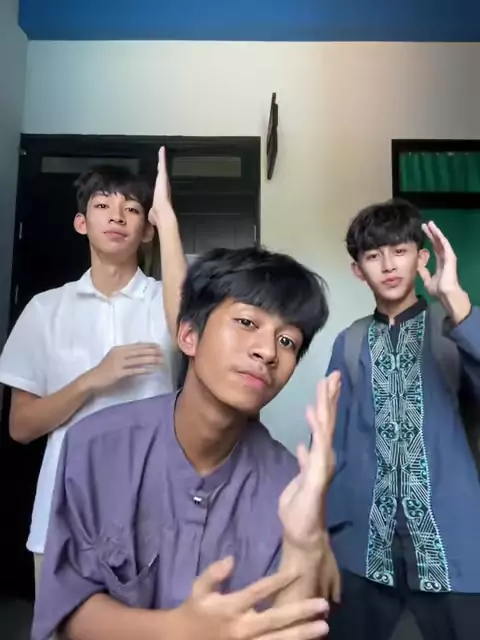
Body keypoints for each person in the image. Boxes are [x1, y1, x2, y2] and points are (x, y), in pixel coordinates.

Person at [32, 245, 339, 640]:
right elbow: (68, 608)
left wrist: (305, 543)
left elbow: (290, 628)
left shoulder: (289, 483)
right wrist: (178, 630)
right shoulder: (96, 447)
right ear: (189, 336)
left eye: (287, 341)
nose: (267, 352)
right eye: (247, 322)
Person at [0, 149, 186, 598]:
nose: (117, 216)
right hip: (63, 518)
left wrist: (168, 219)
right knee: (64, 627)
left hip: (151, 518)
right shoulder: (45, 309)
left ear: (146, 230)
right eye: (103, 205)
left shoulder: (164, 301)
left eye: (132, 209)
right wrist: (91, 380)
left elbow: (189, 328)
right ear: (81, 223)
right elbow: (21, 427)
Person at [325, 199, 480, 640]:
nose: (389, 265)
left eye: (400, 251)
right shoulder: (349, 342)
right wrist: (324, 538)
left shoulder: (456, 328)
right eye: (374, 256)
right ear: (358, 270)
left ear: (421, 257)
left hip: (454, 546)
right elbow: (330, 445)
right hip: (362, 552)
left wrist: (457, 303)